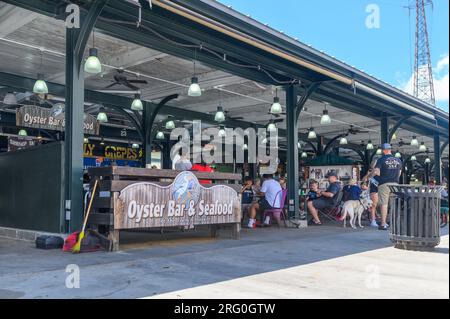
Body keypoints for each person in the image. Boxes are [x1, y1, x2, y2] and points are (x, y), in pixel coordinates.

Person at [373, 143, 403, 230]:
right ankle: (394, 223)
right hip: (395, 184)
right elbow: (399, 173)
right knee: (393, 204)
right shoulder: (398, 160)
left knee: (384, 204)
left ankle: (383, 224)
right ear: (390, 150)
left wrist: (372, 176)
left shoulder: (381, 159)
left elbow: (376, 172)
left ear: (383, 150)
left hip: (384, 184)